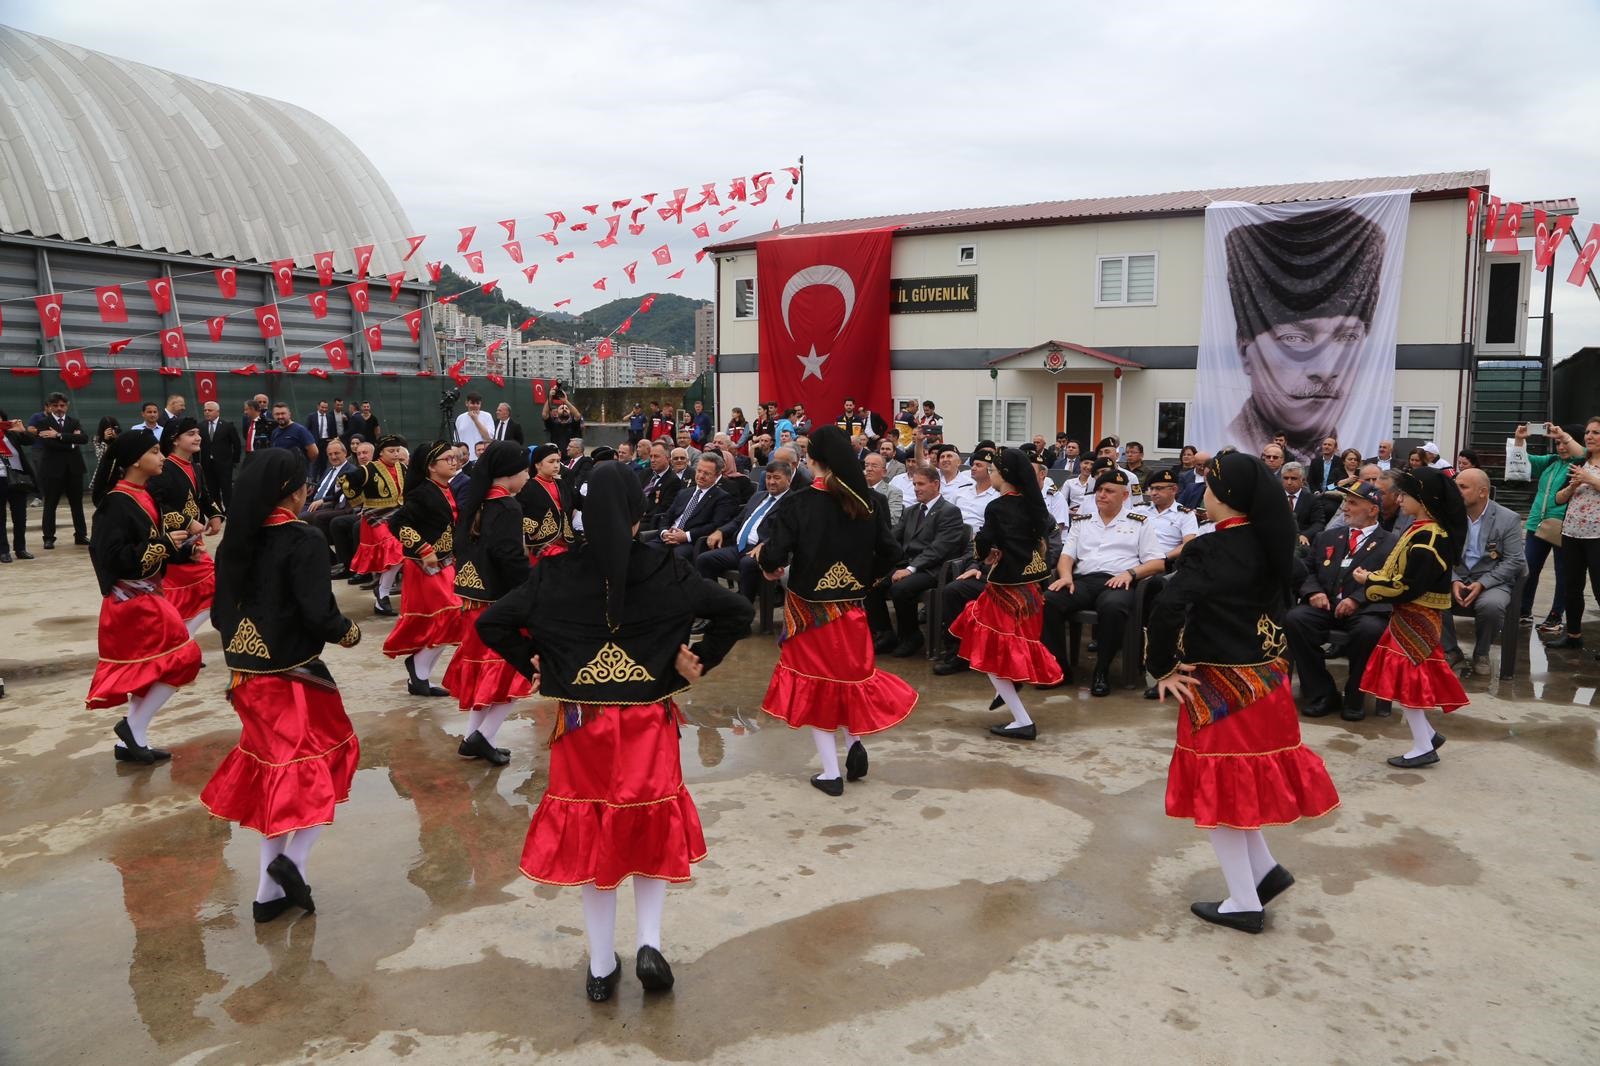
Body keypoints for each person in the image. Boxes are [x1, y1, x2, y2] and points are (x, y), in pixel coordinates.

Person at [478, 462, 752, 1001]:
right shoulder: (666, 568)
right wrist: (695, 661)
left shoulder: (555, 571)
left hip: (582, 728)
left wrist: (534, 661)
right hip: (648, 723)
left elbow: (491, 622)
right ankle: (649, 944)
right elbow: (737, 610)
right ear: (637, 511)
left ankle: (602, 966)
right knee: (648, 826)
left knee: (592, 836)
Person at [1149, 450, 1340, 934]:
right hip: (1269, 683)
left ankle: (1243, 902)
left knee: (1222, 796)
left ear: (1223, 496)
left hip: (1221, 689)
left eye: (1208, 488)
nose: (1204, 495)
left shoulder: (1210, 549)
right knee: (1240, 787)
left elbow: (1168, 605)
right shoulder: (1273, 543)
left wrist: (1163, 667)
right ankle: (1264, 873)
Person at [199, 447, 363, 923]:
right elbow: (319, 611)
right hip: (296, 678)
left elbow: (219, 612)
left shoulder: (237, 540)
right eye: (304, 484)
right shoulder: (302, 538)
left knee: (277, 776)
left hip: (246, 678)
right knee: (326, 763)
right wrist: (347, 633)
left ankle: (267, 895)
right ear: (293, 490)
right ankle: (294, 861)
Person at [757, 425, 916, 795]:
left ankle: (830, 773)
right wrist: (862, 581)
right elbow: (893, 555)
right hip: (851, 608)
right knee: (849, 679)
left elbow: (775, 554)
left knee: (817, 688)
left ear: (812, 460)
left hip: (809, 614)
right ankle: (855, 743)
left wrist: (768, 565)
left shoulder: (799, 502)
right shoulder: (869, 503)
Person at [1222, 206, 1385, 459]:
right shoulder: (1232, 454)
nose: (1325, 368)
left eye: (1347, 338)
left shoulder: (1345, 461)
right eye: (1294, 338)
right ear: (1245, 351)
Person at [84, 429, 203, 763]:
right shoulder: (116, 502)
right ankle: (133, 726)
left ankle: (132, 738)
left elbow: (151, 545)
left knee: (152, 669)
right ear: (136, 460)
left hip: (146, 597)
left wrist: (179, 552)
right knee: (185, 659)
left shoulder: (141, 494)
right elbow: (111, 556)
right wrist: (165, 546)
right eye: (155, 451)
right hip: (132, 602)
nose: (162, 456)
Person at [1354, 466, 1470, 767]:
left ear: (1424, 498)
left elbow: (1406, 586)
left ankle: (1422, 745)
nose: (1400, 499)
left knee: (1408, 680)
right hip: (1409, 614)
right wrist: (1375, 577)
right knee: (1406, 677)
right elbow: (1397, 571)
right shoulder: (1420, 529)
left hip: (1416, 614)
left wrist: (1369, 583)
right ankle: (1427, 736)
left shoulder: (1429, 538)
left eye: (1406, 494)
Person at [948, 449, 1061, 739]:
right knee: (1009, 646)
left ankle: (1022, 719)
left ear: (1005, 475)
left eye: (994, 470)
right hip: (1032, 591)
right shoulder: (1036, 506)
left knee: (989, 650)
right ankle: (1011, 689)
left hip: (1005, 589)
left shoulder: (998, 507)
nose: (990, 474)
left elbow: (985, 543)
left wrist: (986, 553)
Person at [440, 441, 533, 766]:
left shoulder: (474, 503)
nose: (527, 477)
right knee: (516, 672)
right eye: (524, 471)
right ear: (509, 474)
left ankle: (474, 739)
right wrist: (533, 589)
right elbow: (509, 557)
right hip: (500, 604)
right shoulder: (507, 507)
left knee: (486, 676)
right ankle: (483, 737)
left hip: (471, 602)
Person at [1041, 469, 1165, 696]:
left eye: (1109, 491)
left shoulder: (1139, 522)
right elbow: (1066, 556)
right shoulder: (1082, 521)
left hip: (1118, 581)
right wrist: (1066, 576)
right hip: (1083, 581)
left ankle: (1102, 670)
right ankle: (1058, 668)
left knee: (1113, 607)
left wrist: (1130, 573)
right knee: (1049, 600)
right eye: (1099, 490)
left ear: (1125, 496)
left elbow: (1157, 563)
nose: (1102, 495)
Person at [1284, 483, 1398, 721]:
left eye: (1353, 503)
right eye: (1346, 502)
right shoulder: (1328, 536)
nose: (1345, 508)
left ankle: (1355, 695)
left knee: (1369, 631)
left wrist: (1357, 599)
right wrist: (1313, 592)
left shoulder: (1390, 543)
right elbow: (1309, 571)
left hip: (1367, 608)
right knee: (1295, 619)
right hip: (1327, 604)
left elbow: (1392, 580)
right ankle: (1322, 692)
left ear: (1373, 510)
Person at [383, 441, 466, 697]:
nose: (454, 462)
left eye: (455, 457)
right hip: (424, 568)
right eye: (448, 459)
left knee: (452, 619)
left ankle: (420, 675)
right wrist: (423, 548)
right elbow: (396, 523)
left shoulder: (445, 488)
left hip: (446, 565)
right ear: (431, 467)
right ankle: (418, 668)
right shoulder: (422, 493)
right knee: (450, 615)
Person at [1437, 469, 1525, 676]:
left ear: (1482, 492)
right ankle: (1451, 650)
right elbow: (1440, 553)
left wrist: (1483, 583)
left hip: (1492, 579)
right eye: (1455, 486)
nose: (1456, 492)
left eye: (1463, 487)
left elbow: (1515, 560)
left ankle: (1482, 652)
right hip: (1456, 576)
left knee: (1492, 606)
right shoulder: (1448, 516)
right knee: (1430, 598)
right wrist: (1453, 579)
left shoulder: (1508, 518)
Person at [148, 418, 222, 637]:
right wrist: (187, 522)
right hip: (174, 542)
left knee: (204, 592)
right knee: (204, 590)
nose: (197, 437)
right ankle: (180, 639)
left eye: (198, 432)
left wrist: (216, 514)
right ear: (175, 440)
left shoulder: (196, 467)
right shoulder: (164, 469)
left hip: (194, 541)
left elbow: (205, 497)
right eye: (190, 433)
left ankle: (182, 638)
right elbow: (156, 505)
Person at [1513, 421, 1583, 631]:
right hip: (1536, 523)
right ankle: (1523, 611)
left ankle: (1555, 615)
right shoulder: (1551, 461)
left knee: (1563, 572)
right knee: (1528, 568)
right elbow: (1522, 461)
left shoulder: (1582, 462)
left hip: (1563, 526)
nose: (1561, 447)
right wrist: (1520, 439)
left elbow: (1581, 453)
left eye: (1564, 443)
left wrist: (1564, 436)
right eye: (1558, 443)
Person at [696, 459, 795, 602]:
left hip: (765, 551)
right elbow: (737, 521)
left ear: (789, 479)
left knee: (747, 563)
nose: (771, 482)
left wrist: (766, 544)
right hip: (739, 548)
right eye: (768, 477)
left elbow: (788, 532)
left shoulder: (793, 501)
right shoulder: (758, 496)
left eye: (777, 478)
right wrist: (720, 531)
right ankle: (712, 603)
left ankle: (744, 608)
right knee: (704, 559)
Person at [1544, 416, 1600, 652]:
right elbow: (1558, 498)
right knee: (1572, 587)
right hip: (1572, 533)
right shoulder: (1581, 462)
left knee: (1599, 589)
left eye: (1596, 433)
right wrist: (1574, 486)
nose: (1589, 436)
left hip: (1597, 536)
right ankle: (1573, 635)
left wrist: (1591, 480)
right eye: (1587, 432)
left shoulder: (1589, 470)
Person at [342, 434, 408, 613]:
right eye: (391, 451)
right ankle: (383, 592)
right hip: (375, 517)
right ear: (381, 452)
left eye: (397, 450)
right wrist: (359, 500)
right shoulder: (368, 469)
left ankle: (383, 594)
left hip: (398, 516)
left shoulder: (402, 467)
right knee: (397, 551)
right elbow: (346, 481)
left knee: (402, 554)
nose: (395, 454)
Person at [28, 392, 89, 548]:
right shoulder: (43, 423)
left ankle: (81, 535)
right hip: (52, 469)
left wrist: (59, 435)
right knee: (50, 504)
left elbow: (84, 438)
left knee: (77, 504)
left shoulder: (74, 421)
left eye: (62, 405)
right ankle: (48, 537)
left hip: (74, 469)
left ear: (66, 406)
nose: (59, 408)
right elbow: (49, 444)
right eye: (55, 405)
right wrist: (71, 441)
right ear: (49, 407)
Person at [647, 453, 734, 560]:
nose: (701, 476)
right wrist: (665, 533)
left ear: (716, 476)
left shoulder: (722, 497)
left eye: (706, 473)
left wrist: (686, 536)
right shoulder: (684, 493)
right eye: (699, 471)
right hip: (668, 537)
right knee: (644, 551)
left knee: (672, 559)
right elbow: (667, 516)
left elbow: (715, 525)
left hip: (692, 542)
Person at [517, 444, 578, 562]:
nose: (556, 465)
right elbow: (516, 512)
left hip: (566, 540)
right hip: (542, 544)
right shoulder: (528, 486)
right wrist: (533, 530)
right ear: (538, 464)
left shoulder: (561, 484)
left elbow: (575, 503)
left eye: (558, 461)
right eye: (551, 461)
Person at [0, 409, 38, 562]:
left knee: (20, 516)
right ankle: (3, 551)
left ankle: (20, 549)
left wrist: (22, 431)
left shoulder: (11, 434)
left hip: (17, 479)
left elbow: (30, 440)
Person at [199, 401, 241, 511]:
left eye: (210, 410)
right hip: (207, 464)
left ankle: (229, 510)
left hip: (224, 464)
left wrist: (234, 461)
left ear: (217, 412)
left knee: (226, 488)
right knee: (212, 489)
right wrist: (197, 461)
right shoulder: (201, 426)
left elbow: (236, 444)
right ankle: (217, 511)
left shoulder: (227, 426)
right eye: (205, 410)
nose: (207, 412)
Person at [864, 452, 903, 525]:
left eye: (874, 466)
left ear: (884, 472)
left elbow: (893, 519)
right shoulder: (858, 489)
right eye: (866, 466)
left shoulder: (893, 492)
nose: (869, 469)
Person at [305, 401, 338, 480]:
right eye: (322, 407)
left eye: (326, 408)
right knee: (315, 463)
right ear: (318, 407)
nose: (324, 409)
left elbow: (333, 430)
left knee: (324, 463)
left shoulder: (330, 417)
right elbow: (306, 430)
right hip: (314, 442)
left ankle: (323, 480)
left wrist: (332, 440)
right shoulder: (311, 416)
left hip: (326, 442)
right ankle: (313, 481)